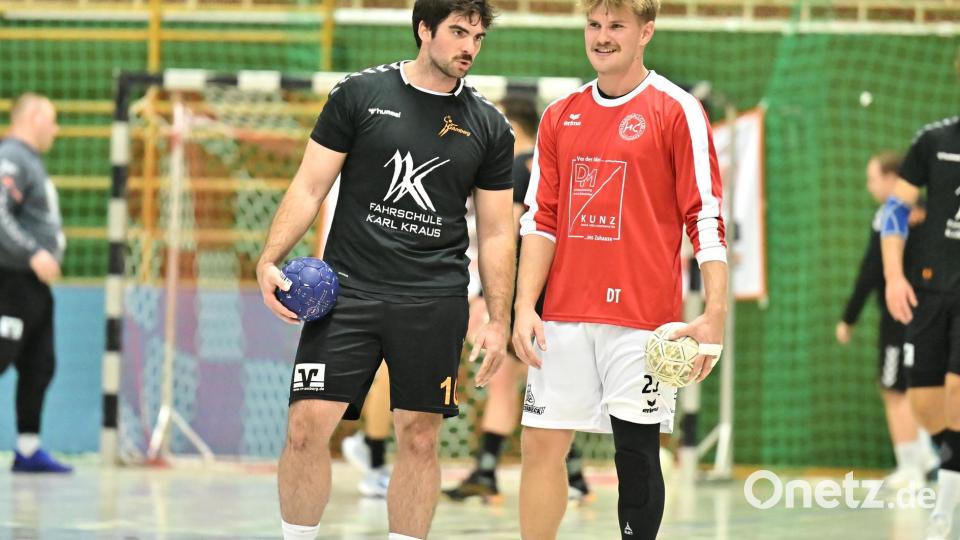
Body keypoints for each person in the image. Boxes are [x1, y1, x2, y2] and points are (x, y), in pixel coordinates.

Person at [254, 0, 516, 537]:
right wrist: (269, 257)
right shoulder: (360, 95)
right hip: (348, 292)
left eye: (479, 36)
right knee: (305, 428)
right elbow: (310, 185)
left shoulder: (489, 125)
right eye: (459, 32)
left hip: (433, 299)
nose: (470, 46)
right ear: (424, 30)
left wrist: (497, 317)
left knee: (419, 437)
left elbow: (494, 232)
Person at [511, 0, 728, 538]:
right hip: (562, 313)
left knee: (635, 453)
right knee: (540, 445)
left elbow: (705, 215)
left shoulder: (676, 109)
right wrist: (522, 306)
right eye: (594, 24)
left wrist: (714, 317)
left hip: (643, 320)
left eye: (616, 26)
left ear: (645, 31)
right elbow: (541, 220)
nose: (602, 37)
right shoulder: (560, 115)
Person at [443, 94, 592, 503]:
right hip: (560, 290)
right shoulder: (559, 162)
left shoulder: (514, 166)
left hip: (521, 290)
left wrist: (486, 297)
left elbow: (506, 236)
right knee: (541, 385)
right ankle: (573, 477)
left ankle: (491, 473)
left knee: (509, 382)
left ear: (511, 125)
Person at [881, 50, 960, 540]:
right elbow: (894, 210)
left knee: (957, 391)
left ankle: (947, 507)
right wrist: (893, 275)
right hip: (931, 291)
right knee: (927, 402)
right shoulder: (934, 141)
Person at [836, 151, 938, 489]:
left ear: (894, 178)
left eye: (873, 178)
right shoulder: (930, 210)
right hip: (931, 317)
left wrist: (848, 318)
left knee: (895, 390)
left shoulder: (891, 216)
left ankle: (912, 467)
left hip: (902, 315)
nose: (869, 186)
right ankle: (924, 456)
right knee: (914, 388)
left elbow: (869, 270)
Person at [0, 93, 71, 474]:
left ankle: (28, 450)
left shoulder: (30, 162)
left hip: (33, 288)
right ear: (31, 117)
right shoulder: (12, 156)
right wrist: (32, 252)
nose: (55, 129)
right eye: (51, 120)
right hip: (9, 282)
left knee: (39, 364)